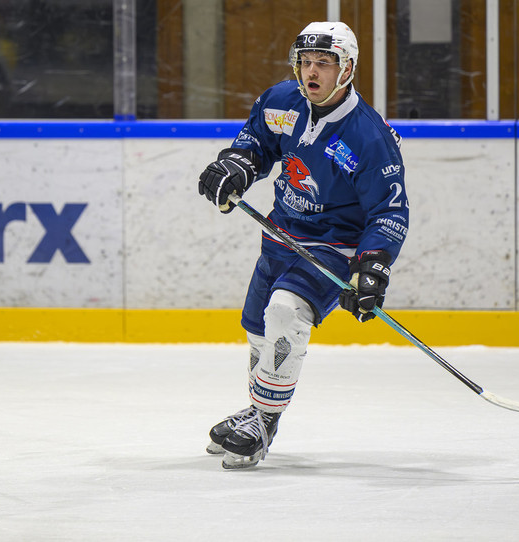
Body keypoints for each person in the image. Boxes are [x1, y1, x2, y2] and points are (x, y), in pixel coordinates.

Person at [197, 21, 409, 469]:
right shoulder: (281, 101)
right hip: (279, 236)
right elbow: (255, 143)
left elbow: (389, 211)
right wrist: (235, 168)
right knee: (258, 329)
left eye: (324, 64)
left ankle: (262, 420)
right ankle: (259, 413)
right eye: (306, 62)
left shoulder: (370, 137)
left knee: (284, 313)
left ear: (346, 69)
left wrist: (372, 267)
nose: (311, 72)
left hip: (332, 249)